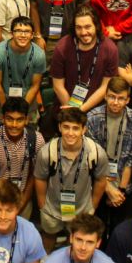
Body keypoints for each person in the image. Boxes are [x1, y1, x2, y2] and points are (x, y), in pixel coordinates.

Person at [34, 106, 109, 251]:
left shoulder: (96, 153)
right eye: (66, 127)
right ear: (60, 127)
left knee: (76, 243)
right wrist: (42, 205)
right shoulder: (46, 152)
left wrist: (92, 206)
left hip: (82, 210)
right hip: (51, 208)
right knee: (48, 236)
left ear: (83, 130)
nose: (70, 133)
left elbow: (101, 179)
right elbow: (40, 178)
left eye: (75, 128)